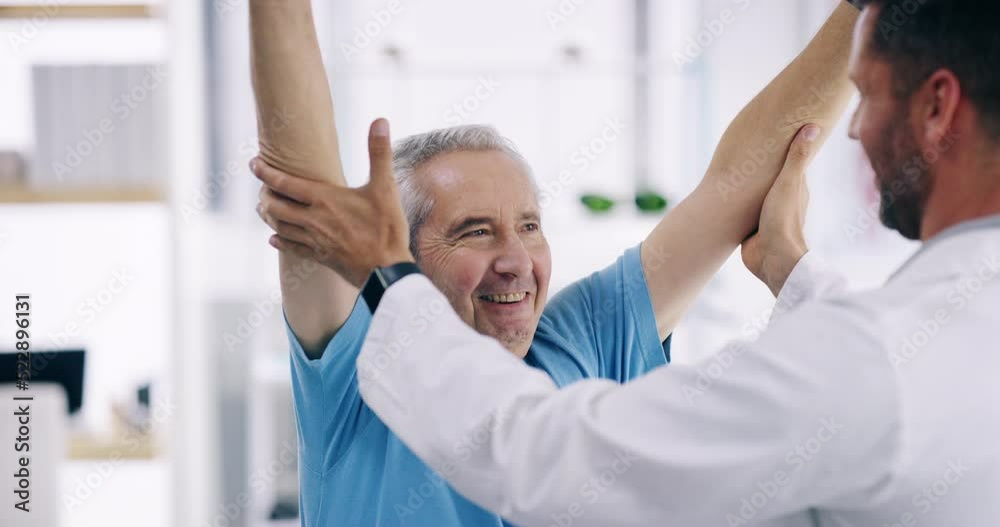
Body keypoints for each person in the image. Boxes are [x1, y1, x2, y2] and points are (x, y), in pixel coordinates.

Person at [258, 0, 1000, 525]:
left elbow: (731, 186)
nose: (516, 258)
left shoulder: (582, 335)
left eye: (530, 224)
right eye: (475, 231)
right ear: (401, 246)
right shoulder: (357, 365)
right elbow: (309, 184)